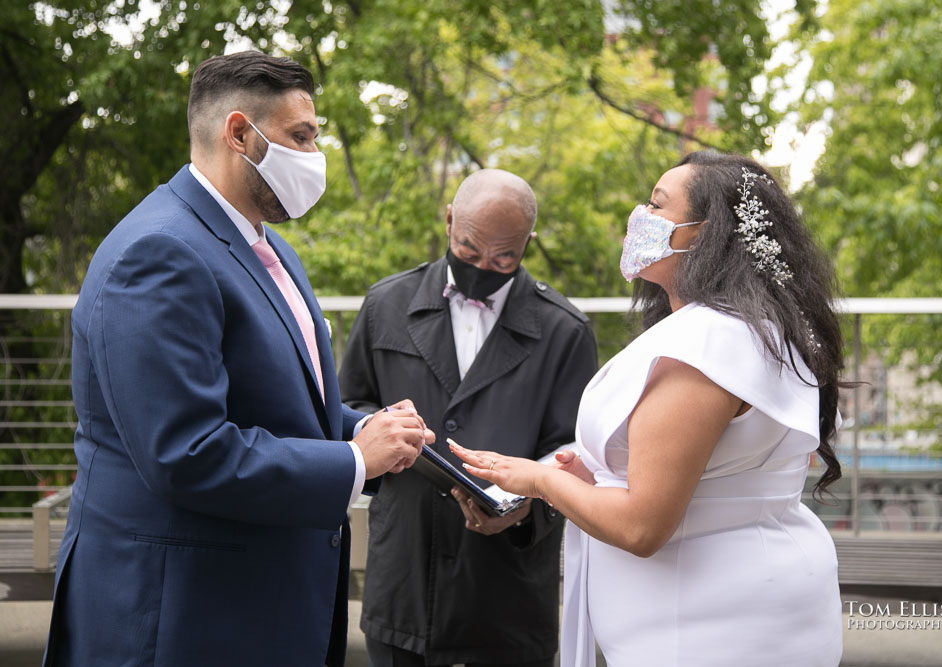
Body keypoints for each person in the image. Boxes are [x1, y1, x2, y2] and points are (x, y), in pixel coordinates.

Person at [43, 51, 434, 667]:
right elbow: (187, 453)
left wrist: (365, 429)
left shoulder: (265, 245)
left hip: (257, 606)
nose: (315, 155)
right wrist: (354, 461)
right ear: (239, 134)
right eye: (300, 136)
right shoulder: (159, 253)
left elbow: (277, 404)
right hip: (181, 619)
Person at [453, 152, 845, 666]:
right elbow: (713, 479)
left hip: (706, 632)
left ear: (704, 234)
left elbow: (643, 528)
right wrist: (595, 483)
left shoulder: (704, 347)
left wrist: (538, 480)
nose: (638, 215)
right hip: (748, 609)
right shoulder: (759, 328)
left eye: (656, 205)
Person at [337, 168, 598, 667]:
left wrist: (529, 506)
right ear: (449, 219)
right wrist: (382, 432)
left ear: (529, 243)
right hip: (405, 583)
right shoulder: (384, 305)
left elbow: (576, 453)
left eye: (505, 256)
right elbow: (351, 408)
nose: (486, 265)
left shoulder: (566, 331)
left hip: (508, 597)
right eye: (470, 249)